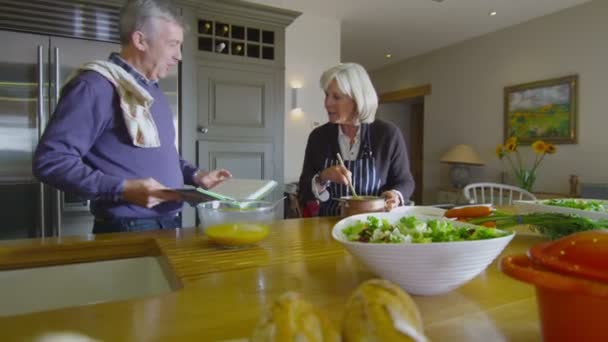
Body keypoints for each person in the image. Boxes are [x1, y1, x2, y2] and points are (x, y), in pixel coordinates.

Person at [33, 0, 231, 233]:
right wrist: (122, 189)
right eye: (173, 44)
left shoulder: (152, 91)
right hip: (127, 227)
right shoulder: (95, 86)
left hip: (170, 222)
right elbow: (51, 162)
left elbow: (161, 154)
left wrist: (196, 175)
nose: (179, 56)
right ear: (140, 41)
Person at [298, 63, 415, 216]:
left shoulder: (387, 135)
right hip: (329, 226)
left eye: (336, 97)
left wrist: (395, 195)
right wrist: (322, 177)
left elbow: (405, 182)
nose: (327, 103)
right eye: (327, 95)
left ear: (357, 99)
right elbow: (304, 189)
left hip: (374, 228)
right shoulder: (318, 137)